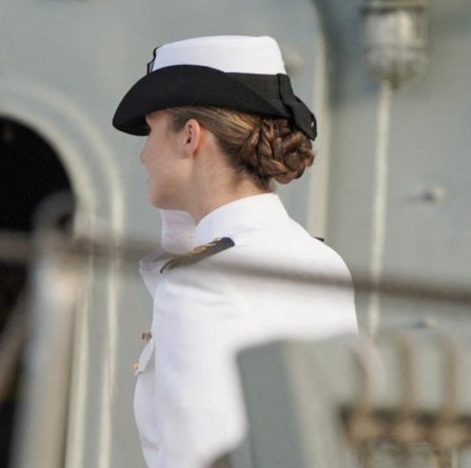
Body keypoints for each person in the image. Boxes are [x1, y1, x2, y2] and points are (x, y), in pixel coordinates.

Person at [112, 35, 359, 467]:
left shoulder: (199, 284)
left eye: (151, 132)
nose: (143, 155)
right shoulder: (321, 262)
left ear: (190, 137)